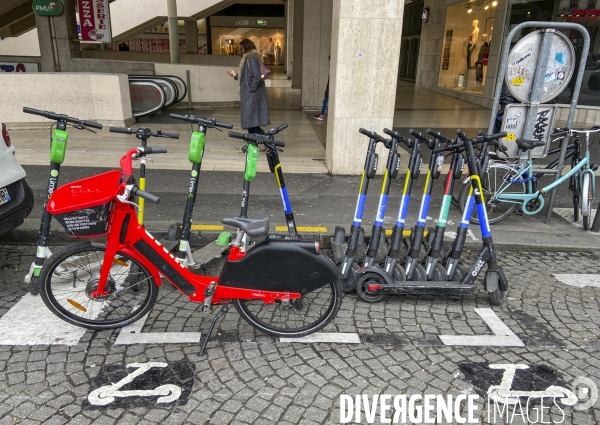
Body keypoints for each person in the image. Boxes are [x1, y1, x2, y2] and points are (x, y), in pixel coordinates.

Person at [226, 38, 270, 137]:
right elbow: (247, 77)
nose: (239, 50)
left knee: (251, 123)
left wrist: (251, 89)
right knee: (250, 123)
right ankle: (253, 145)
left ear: (245, 48)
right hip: (250, 95)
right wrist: (235, 75)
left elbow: (256, 76)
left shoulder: (251, 58)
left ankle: (268, 141)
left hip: (252, 96)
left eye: (240, 48)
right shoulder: (249, 58)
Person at [313, 55, 330, 121]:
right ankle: (321, 114)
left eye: (328, 59)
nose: (328, 61)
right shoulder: (331, 67)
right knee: (325, 101)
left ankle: (321, 115)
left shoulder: (332, 68)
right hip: (329, 88)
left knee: (325, 101)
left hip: (330, 89)